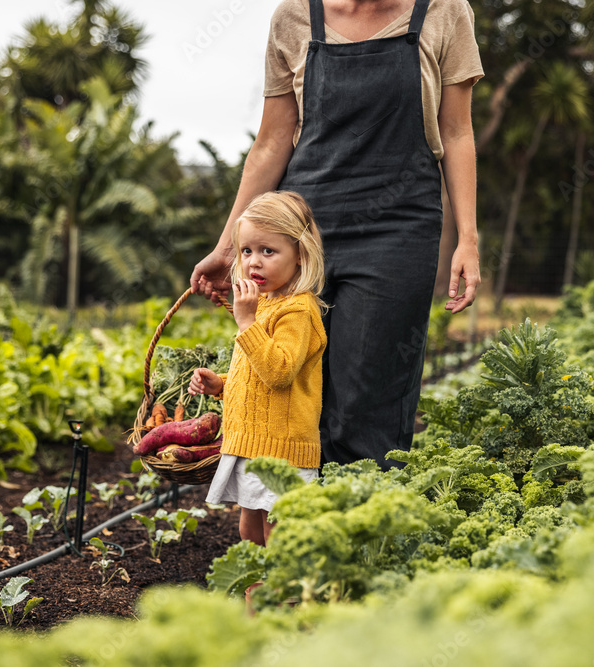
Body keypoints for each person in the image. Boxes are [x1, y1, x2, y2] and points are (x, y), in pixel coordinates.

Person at [192, 0, 483, 469]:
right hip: (302, 236)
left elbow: (456, 132)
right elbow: (271, 140)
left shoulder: (444, 11)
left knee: (368, 398)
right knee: (290, 381)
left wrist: (468, 237)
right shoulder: (294, 16)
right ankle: (290, 526)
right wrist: (228, 247)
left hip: (398, 229)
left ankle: (359, 529)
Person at [190, 191, 327, 545]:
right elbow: (255, 377)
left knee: (277, 534)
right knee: (249, 531)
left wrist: (247, 322)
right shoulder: (263, 304)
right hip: (253, 445)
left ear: (300, 254)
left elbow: (279, 373)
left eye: (269, 251)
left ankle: (284, 599)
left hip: (282, 450)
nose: (254, 262)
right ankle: (256, 597)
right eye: (247, 251)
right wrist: (220, 385)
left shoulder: (297, 311)